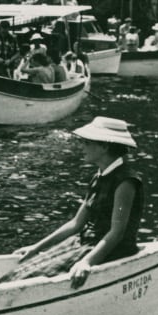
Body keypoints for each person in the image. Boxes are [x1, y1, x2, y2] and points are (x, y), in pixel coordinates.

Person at [9, 116, 144, 287]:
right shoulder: (99, 176)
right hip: (86, 242)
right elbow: (76, 224)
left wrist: (86, 262)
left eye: (87, 143)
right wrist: (36, 248)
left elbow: (117, 232)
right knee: (17, 274)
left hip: (111, 249)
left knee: (28, 280)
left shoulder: (126, 182)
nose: (82, 147)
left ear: (105, 146)